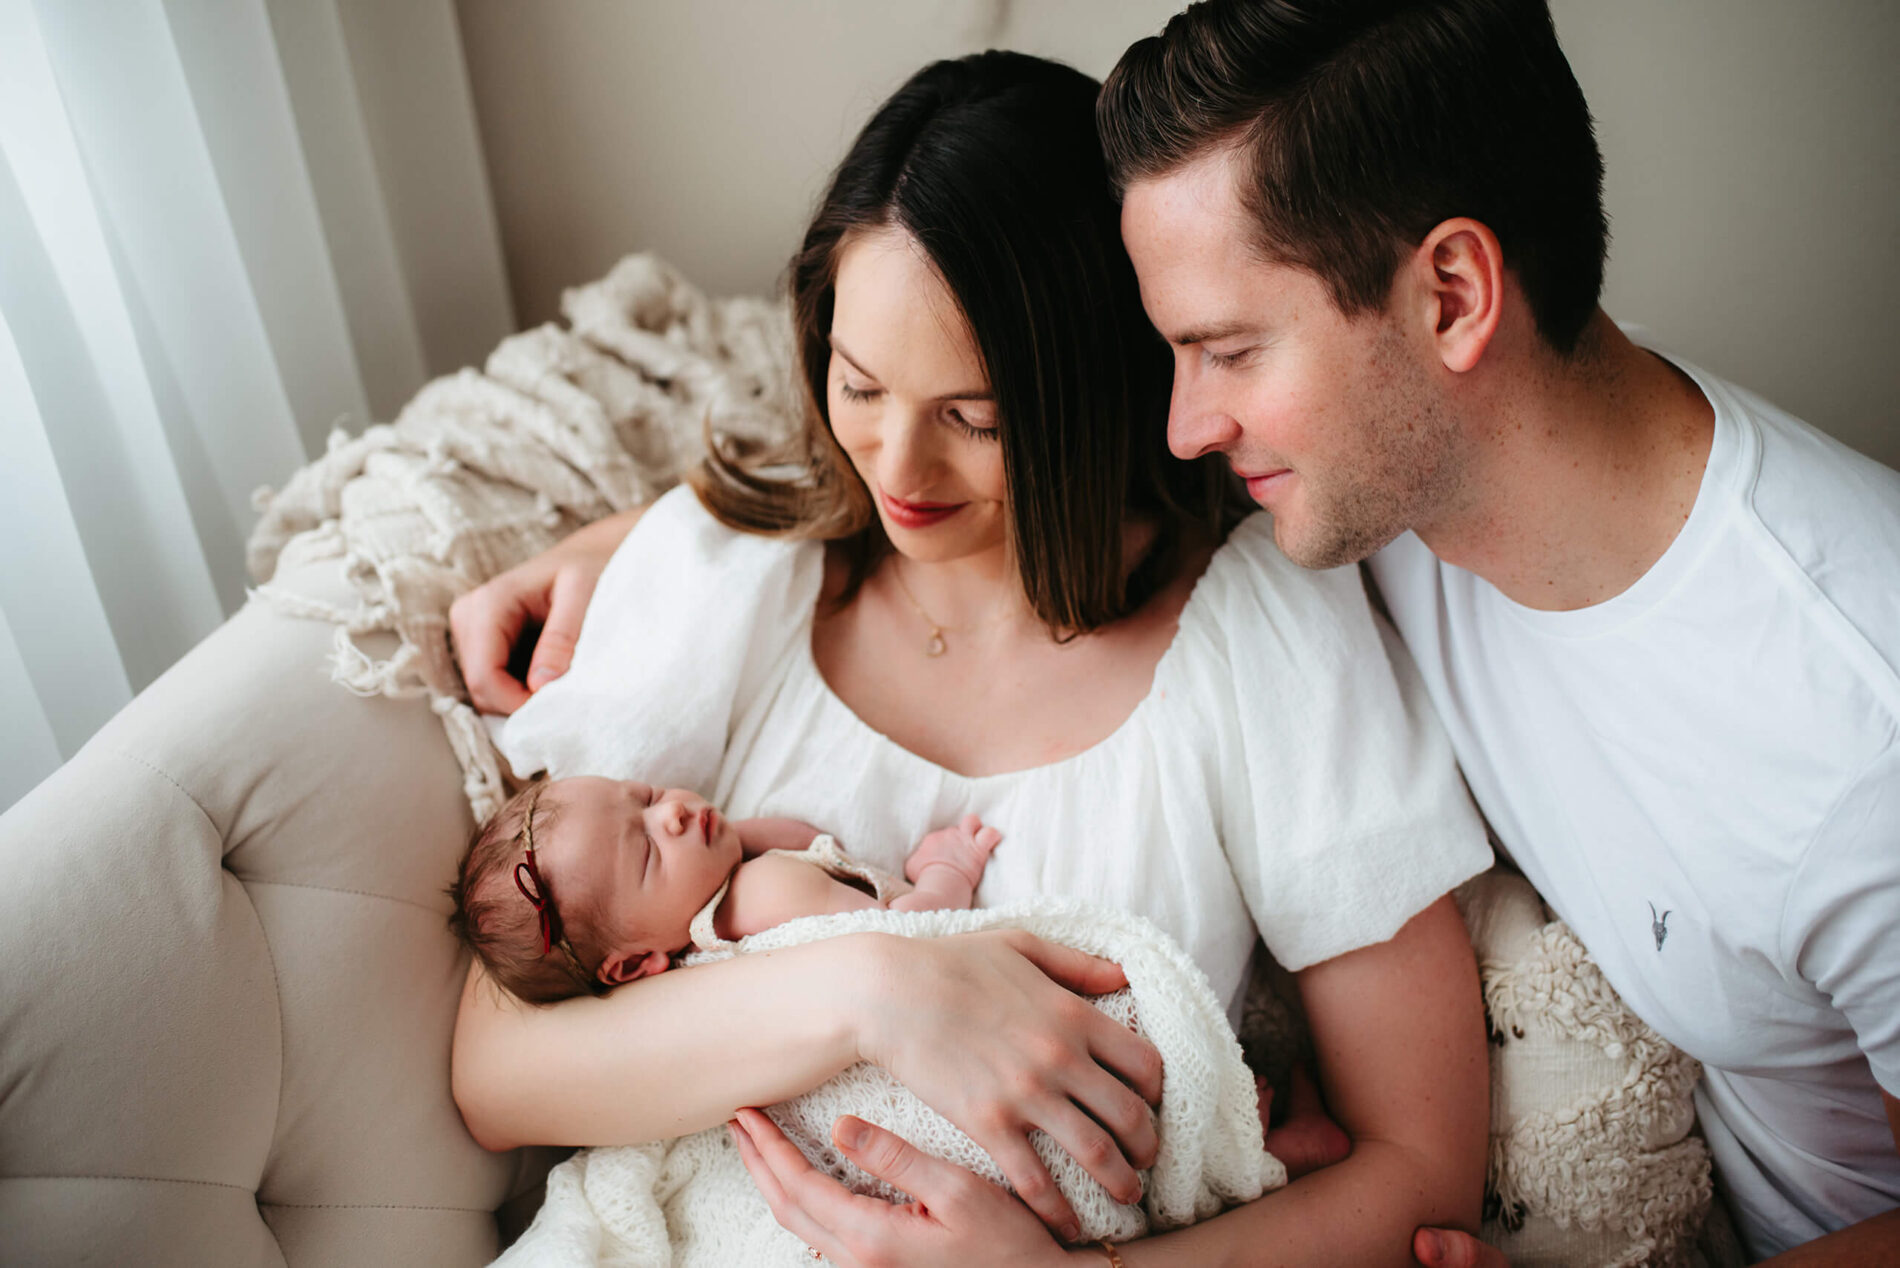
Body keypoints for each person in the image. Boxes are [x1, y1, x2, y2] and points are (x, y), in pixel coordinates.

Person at [450, 50, 1495, 1266]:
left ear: (1103, 388)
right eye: (859, 385)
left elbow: (1422, 1169)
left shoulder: (1265, 640)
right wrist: (887, 993)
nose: (894, 468)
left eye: (974, 418)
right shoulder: (734, 576)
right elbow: (497, 1064)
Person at [1095, 1, 1900, 1263]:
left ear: (1453, 295)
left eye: (1231, 350)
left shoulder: (1859, 727)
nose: (1186, 426)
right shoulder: (1378, 504)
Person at [448, 774, 1000, 1004]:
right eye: (648, 852)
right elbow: (910, 941)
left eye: (646, 796)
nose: (672, 814)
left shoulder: (722, 904)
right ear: (637, 964)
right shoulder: (766, 892)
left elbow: (795, 839)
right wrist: (946, 873)